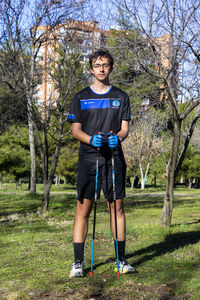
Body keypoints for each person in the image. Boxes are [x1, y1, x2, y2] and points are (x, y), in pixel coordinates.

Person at [67, 49, 135, 277]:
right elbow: (75, 130)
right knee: (83, 208)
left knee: (116, 207)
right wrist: (89, 139)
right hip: (88, 157)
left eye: (106, 65)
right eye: (97, 65)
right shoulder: (80, 97)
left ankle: (121, 260)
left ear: (111, 68)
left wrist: (120, 137)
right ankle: (78, 263)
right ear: (91, 69)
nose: (102, 68)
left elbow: (125, 128)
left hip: (114, 157)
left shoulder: (121, 96)